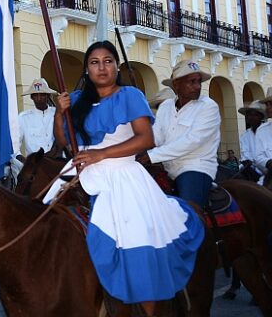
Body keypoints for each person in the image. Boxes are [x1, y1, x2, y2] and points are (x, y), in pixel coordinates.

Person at [47, 41, 203, 315]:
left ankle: (148, 309)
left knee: (136, 239)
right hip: (79, 169)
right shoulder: (77, 100)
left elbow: (146, 138)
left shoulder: (129, 95)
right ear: (86, 70)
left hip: (122, 172)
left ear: (116, 66)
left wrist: (101, 154)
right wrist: (60, 113)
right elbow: (65, 143)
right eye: (94, 62)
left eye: (108, 61)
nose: (101, 67)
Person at [140, 60, 221, 208]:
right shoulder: (165, 106)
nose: (197, 86)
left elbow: (191, 141)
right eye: (192, 82)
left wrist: (151, 156)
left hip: (194, 167)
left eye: (199, 82)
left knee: (188, 213)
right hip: (166, 167)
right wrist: (138, 148)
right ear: (176, 84)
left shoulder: (209, 107)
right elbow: (156, 136)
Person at [15, 78, 57, 159]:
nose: (39, 98)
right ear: (31, 97)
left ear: (48, 95)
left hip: (57, 163)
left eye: (42, 94)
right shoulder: (23, 118)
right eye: (35, 95)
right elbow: (14, 144)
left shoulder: (56, 114)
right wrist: (20, 158)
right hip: (34, 165)